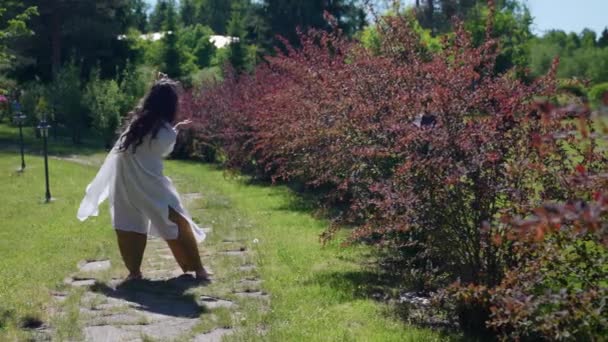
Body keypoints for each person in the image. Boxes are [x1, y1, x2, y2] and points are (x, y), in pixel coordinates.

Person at [77, 75, 209, 281]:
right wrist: (178, 129)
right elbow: (163, 146)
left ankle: (134, 273)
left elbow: (150, 144)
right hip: (150, 185)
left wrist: (176, 128)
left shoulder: (137, 125)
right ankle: (199, 269)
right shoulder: (161, 129)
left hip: (126, 184)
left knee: (129, 225)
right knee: (178, 221)